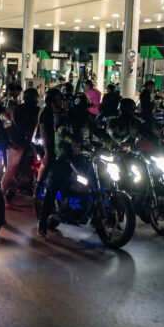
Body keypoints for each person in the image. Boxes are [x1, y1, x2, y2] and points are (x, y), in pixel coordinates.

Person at [37, 93, 110, 237]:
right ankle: (42, 223)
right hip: (63, 157)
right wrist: (74, 141)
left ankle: (96, 214)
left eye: (86, 108)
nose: (85, 111)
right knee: (53, 187)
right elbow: (62, 132)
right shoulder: (63, 117)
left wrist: (111, 142)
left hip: (84, 156)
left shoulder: (87, 119)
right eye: (82, 108)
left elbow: (98, 132)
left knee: (100, 180)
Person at [1, 87, 41, 196]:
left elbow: (42, 124)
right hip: (18, 141)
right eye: (32, 98)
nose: (33, 100)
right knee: (12, 168)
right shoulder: (18, 109)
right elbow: (18, 125)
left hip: (33, 142)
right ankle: (1, 194)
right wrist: (27, 134)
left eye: (35, 98)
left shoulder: (38, 110)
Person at [34, 88, 64, 193]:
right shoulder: (46, 113)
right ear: (52, 101)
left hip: (56, 143)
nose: (61, 101)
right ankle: (38, 186)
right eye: (59, 99)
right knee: (46, 162)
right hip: (43, 143)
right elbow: (43, 133)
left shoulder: (62, 112)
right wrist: (46, 152)